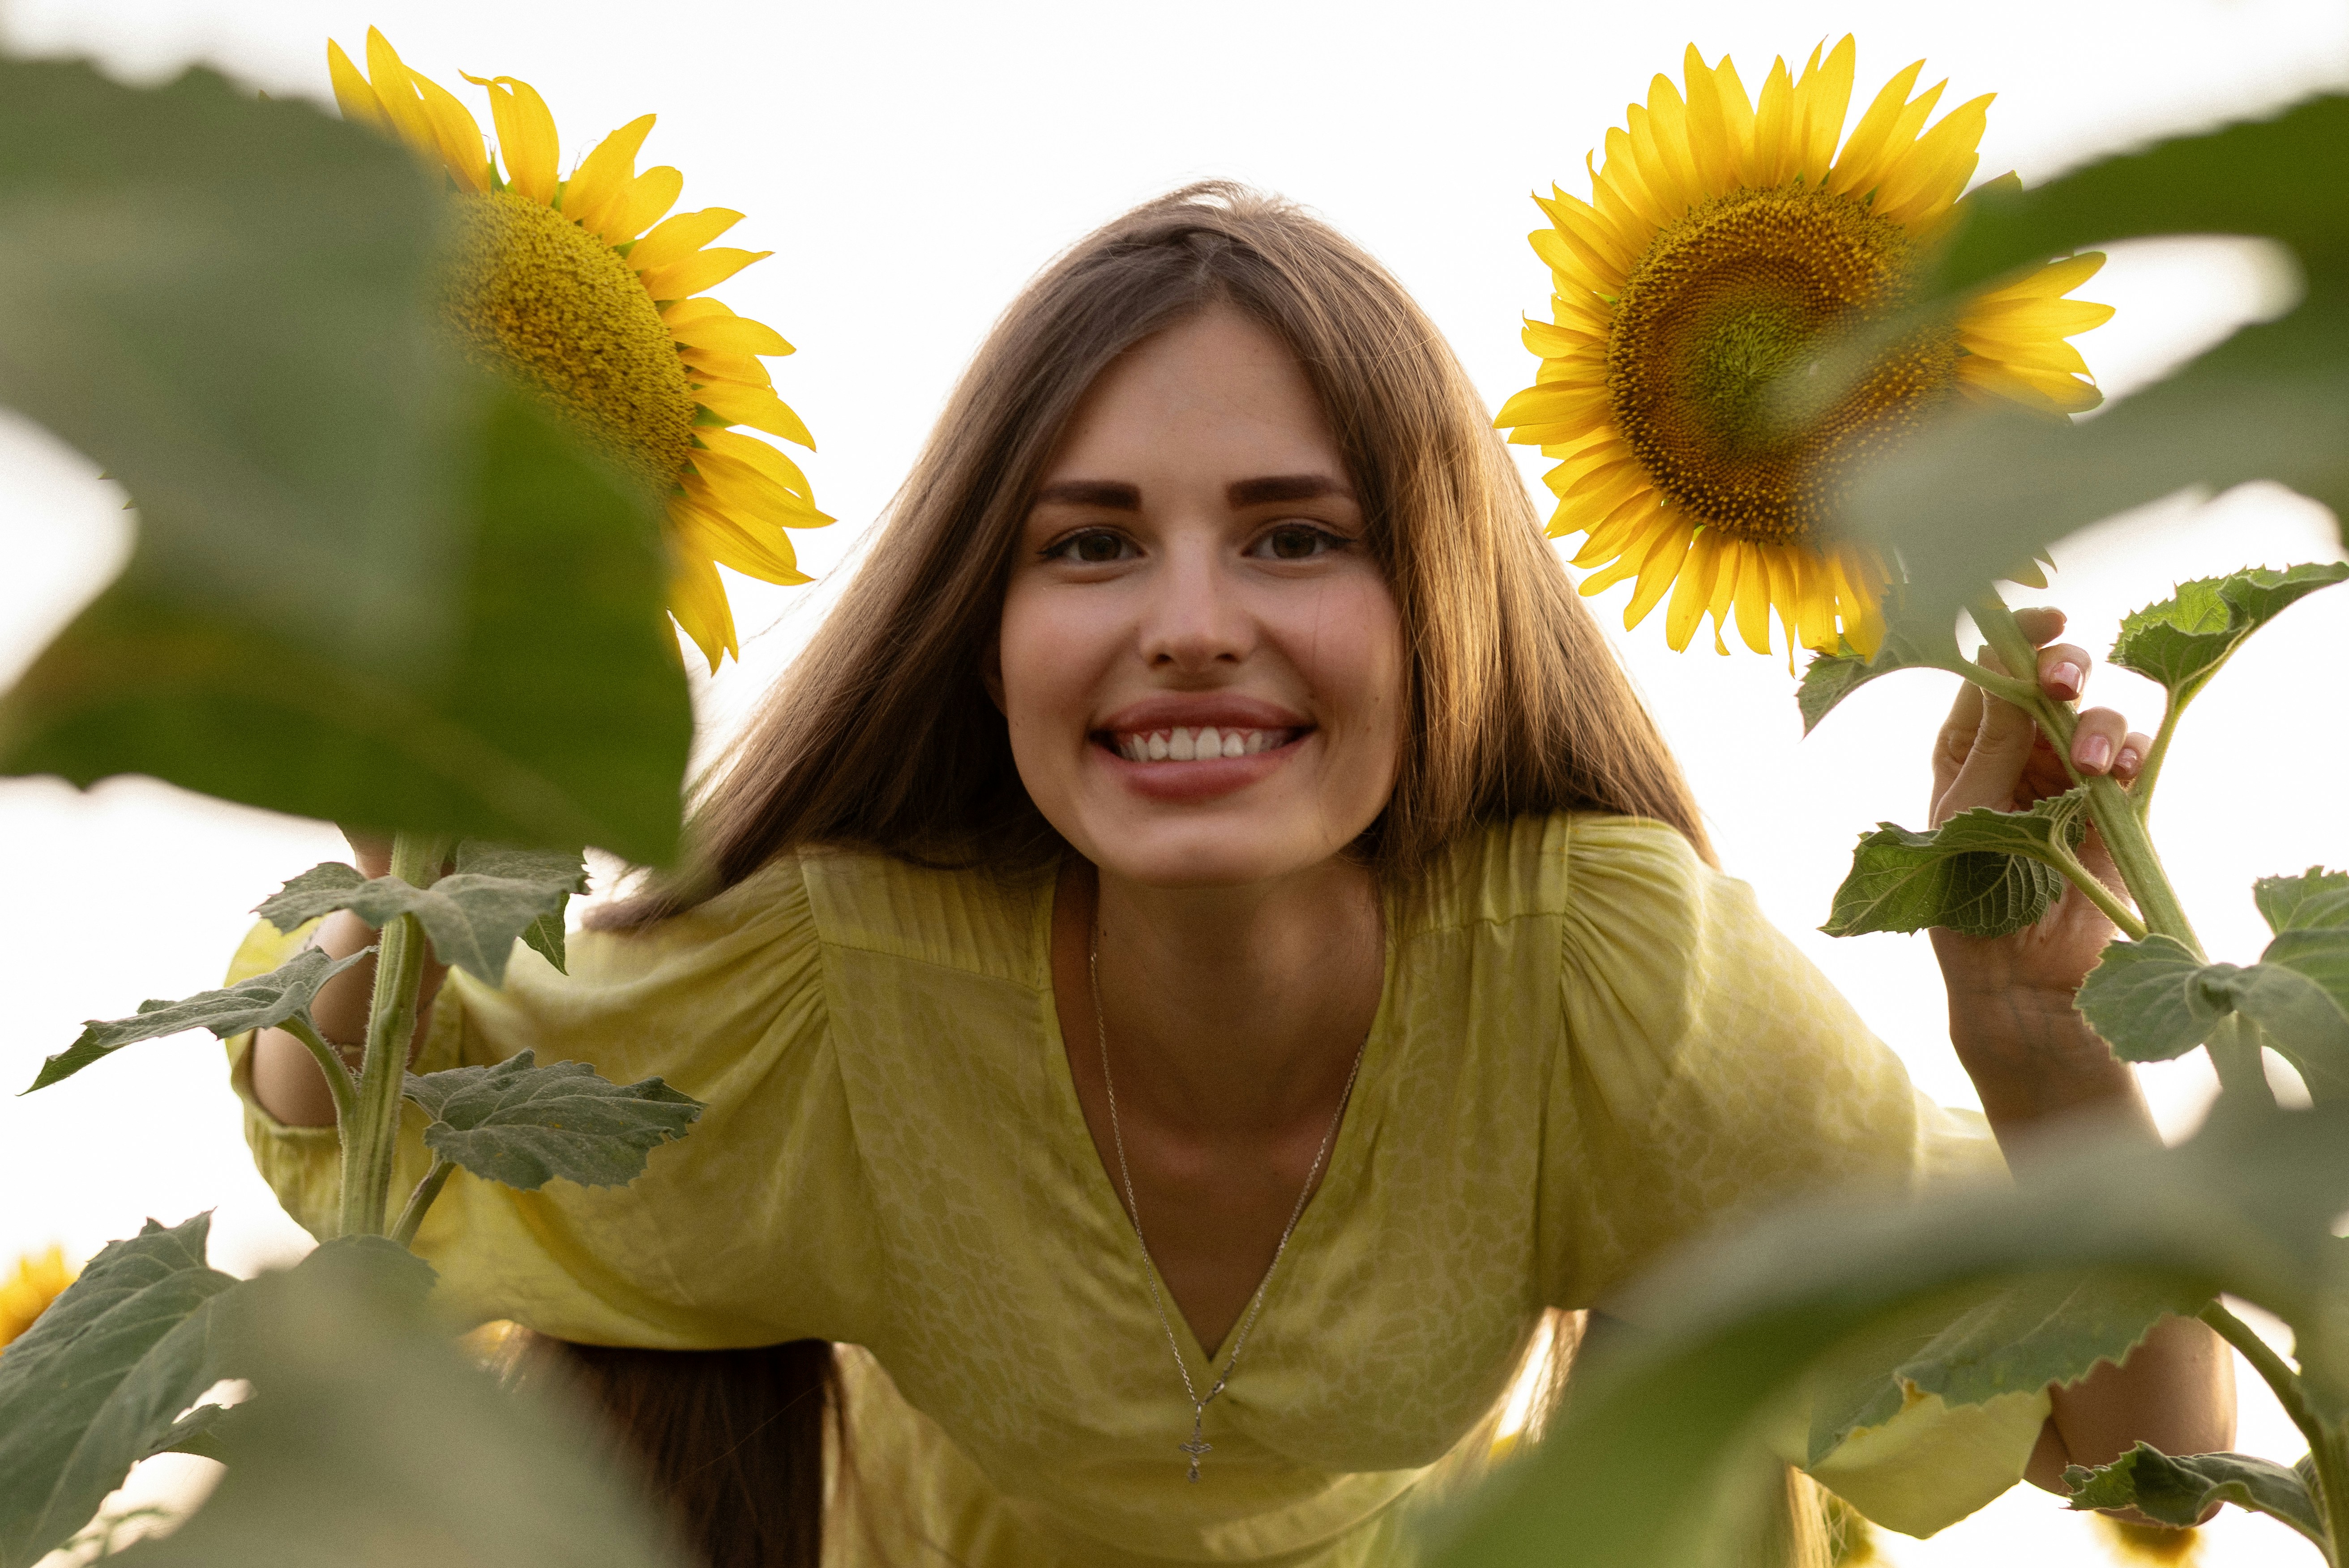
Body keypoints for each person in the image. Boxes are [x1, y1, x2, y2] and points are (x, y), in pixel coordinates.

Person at [231, 184, 2232, 1568]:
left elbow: (2136, 1436)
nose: (1189, 623)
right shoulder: (846, 990)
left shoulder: (1602, 985)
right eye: (1089, 546)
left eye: (1295, 538)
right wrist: (399, 805)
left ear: (1440, 598)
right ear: (980, 622)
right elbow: (373, 1083)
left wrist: (2036, 1031)